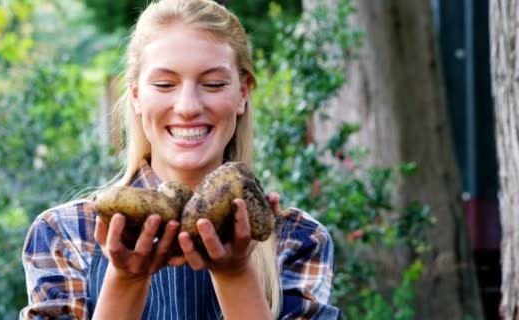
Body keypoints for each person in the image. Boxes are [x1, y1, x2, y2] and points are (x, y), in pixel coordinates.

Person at [19, 0, 340, 319]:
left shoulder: (297, 239)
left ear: (242, 93)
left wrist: (236, 274)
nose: (188, 106)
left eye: (213, 84)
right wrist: (126, 278)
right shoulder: (67, 233)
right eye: (164, 84)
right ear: (135, 95)